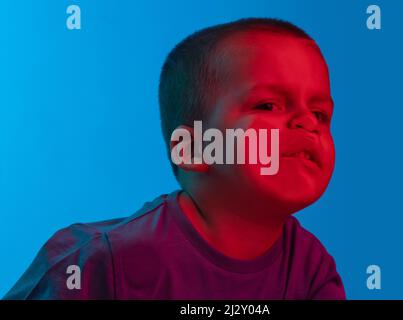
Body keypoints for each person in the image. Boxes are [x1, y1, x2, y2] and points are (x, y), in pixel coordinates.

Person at [4, 18, 345, 300]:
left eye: (320, 114)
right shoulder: (92, 263)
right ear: (193, 149)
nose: (306, 123)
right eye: (268, 105)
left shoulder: (310, 268)